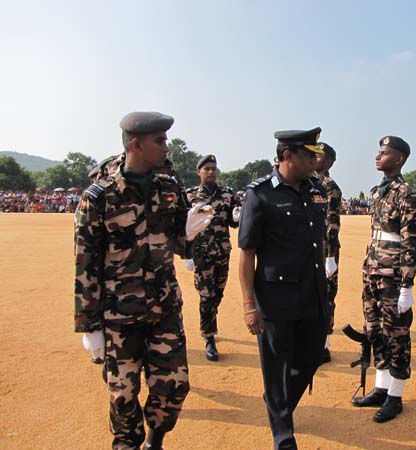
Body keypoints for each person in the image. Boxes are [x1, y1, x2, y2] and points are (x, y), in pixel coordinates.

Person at [74, 112, 212, 450]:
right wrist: (89, 325)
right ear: (136, 144)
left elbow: (180, 244)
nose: (167, 147)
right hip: (119, 316)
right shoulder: (98, 197)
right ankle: (128, 444)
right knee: (123, 396)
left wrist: (190, 233)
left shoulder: (168, 187)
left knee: (174, 386)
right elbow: (85, 263)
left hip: (164, 308)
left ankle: (155, 440)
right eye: (160, 141)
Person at [238, 127, 329, 450]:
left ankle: (278, 402)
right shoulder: (260, 194)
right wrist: (249, 305)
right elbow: (247, 254)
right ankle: (283, 434)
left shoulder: (316, 191)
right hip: (276, 298)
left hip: (313, 293)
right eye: (308, 155)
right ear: (288, 156)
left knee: (311, 356)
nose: (315, 160)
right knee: (276, 366)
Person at [351, 135, 416, 423]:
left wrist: (407, 284)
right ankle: (381, 387)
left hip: (394, 273)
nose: (378, 156)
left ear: (400, 158)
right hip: (373, 268)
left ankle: (396, 395)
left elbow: (411, 241)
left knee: (397, 334)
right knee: (374, 330)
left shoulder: (408, 194)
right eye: (378, 151)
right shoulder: (375, 191)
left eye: (384, 152)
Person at [185, 154, 241, 361]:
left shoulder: (227, 195)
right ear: (198, 172)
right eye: (206, 168)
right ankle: (208, 336)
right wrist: (186, 254)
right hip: (201, 255)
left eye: (213, 168)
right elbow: (184, 227)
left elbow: (235, 221)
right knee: (206, 295)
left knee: (218, 294)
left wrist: (238, 217)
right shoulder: (190, 196)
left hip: (222, 252)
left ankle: (210, 320)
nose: (210, 172)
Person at [314, 142, 342, 363]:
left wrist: (330, 256)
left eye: (320, 155)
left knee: (326, 297)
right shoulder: (306, 181)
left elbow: (332, 224)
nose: (315, 157)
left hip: (325, 250)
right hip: (307, 248)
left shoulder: (329, 187)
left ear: (329, 161)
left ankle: (323, 344)